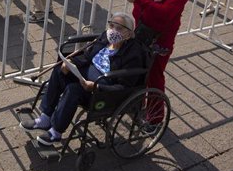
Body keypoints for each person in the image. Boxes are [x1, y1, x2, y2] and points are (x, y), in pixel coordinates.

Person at [20, 12, 145, 145]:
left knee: (73, 90)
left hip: (102, 90)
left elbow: (124, 86)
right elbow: (87, 56)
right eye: (112, 25)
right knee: (59, 70)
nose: (113, 31)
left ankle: (55, 132)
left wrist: (97, 87)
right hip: (86, 75)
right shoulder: (105, 37)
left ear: (129, 33)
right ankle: (45, 117)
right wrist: (71, 63)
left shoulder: (133, 54)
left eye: (119, 28)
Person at [120, 0, 191, 99]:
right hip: (141, 29)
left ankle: (155, 119)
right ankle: (135, 105)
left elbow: (166, 13)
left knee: (154, 76)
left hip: (160, 38)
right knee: (136, 68)